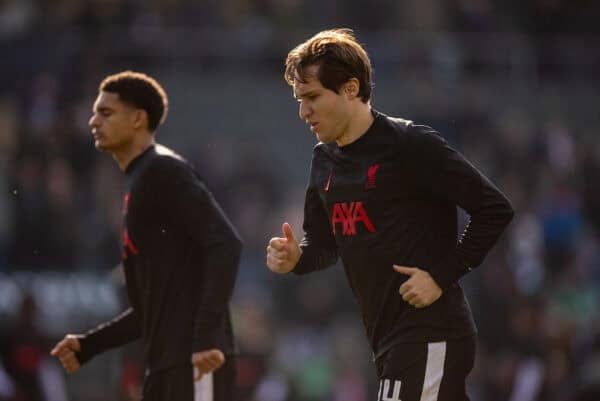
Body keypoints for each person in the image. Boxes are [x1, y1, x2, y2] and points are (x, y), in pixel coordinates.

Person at [266, 29, 514, 401]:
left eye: (313, 97)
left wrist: (441, 276)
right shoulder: (323, 160)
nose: (304, 111)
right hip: (386, 341)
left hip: (431, 333)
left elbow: (494, 208)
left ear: (350, 89)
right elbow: (324, 245)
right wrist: (296, 259)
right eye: (299, 100)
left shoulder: (411, 144)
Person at [50, 71, 242, 401]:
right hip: (166, 366)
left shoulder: (164, 171)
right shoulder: (138, 182)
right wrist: (89, 345)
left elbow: (226, 242)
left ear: (138, 119)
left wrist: (205, 338)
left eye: (105, 113)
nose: (93, 121)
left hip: (196, 364)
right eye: (95, 112)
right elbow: (148, 308)